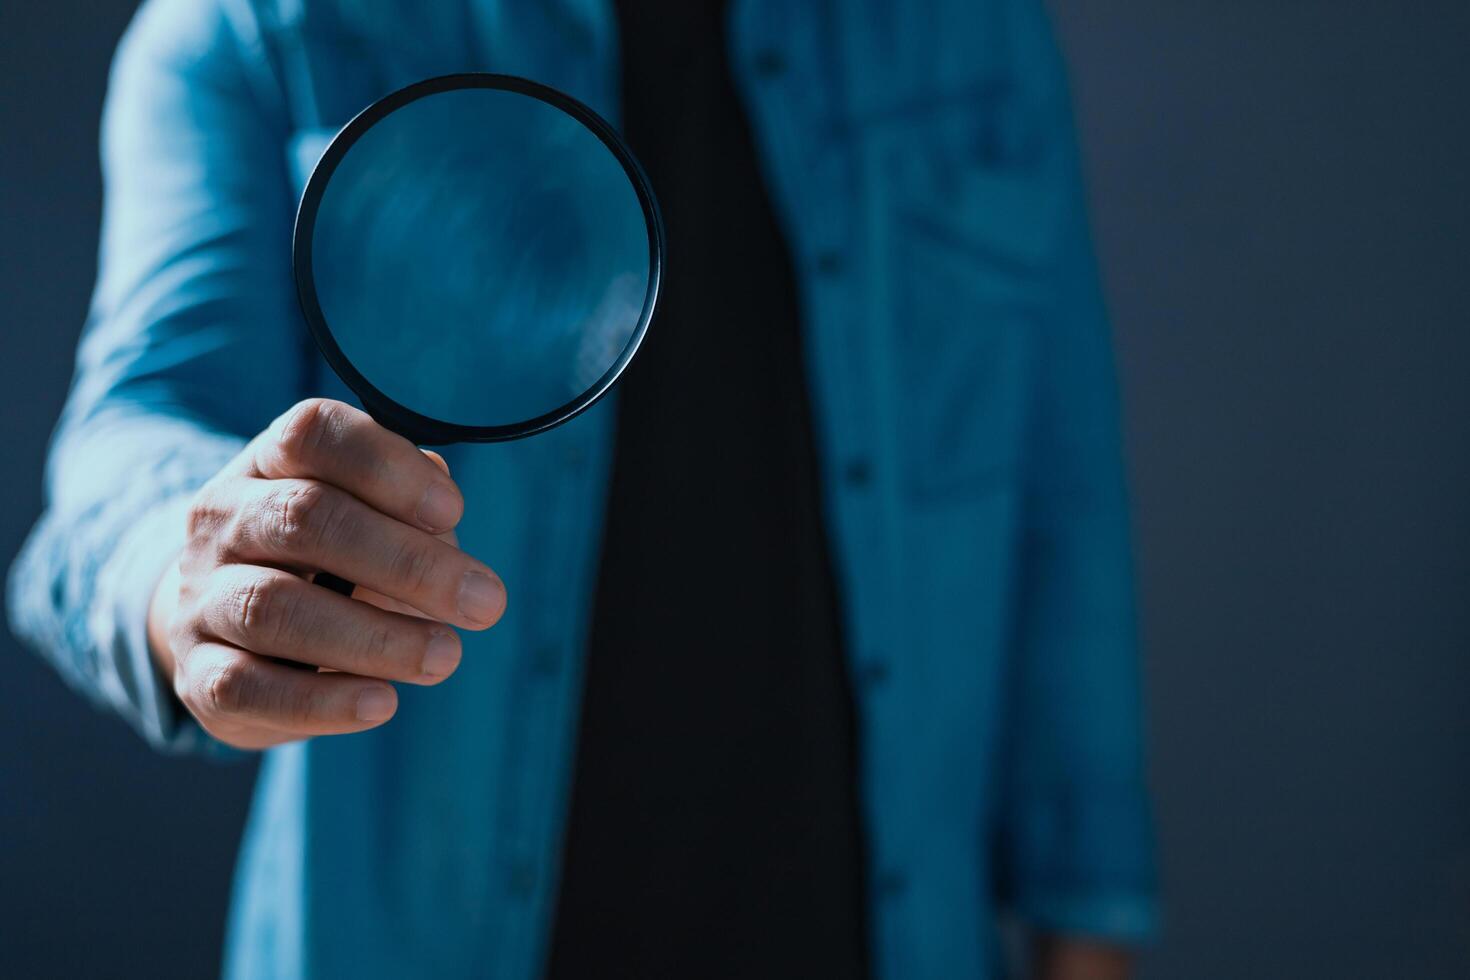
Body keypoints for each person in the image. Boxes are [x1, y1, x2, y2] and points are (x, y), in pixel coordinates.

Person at [8, 0, 1156, 977]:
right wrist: (194, 576)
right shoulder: (264, 23)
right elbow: (124, 447)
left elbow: (1068, 510)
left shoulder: (970, 30)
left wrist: (1089, 924)